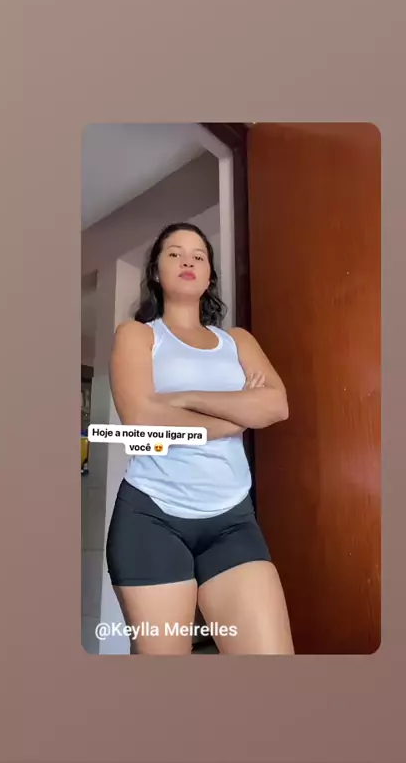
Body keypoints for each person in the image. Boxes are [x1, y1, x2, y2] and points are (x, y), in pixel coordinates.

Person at [106, 221, 294, 655]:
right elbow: (142, 420)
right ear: (156, 272)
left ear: (209, 276)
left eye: (198, 255)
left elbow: (277, 405)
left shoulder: (238, 341)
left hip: (232, 520)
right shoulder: (137, 334)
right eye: (174, 253)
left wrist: (186, 398)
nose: (187, 261)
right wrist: (237, 416)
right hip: (151, 517)